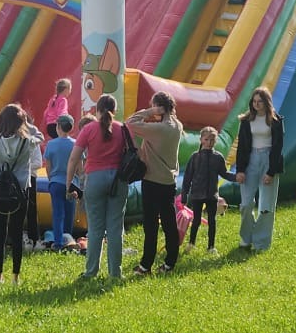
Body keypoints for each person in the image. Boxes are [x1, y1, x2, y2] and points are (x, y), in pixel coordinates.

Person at [66, 93, 130, 281]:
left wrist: (68, 183)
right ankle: (115, 273)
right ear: (115, 110)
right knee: (115, 228)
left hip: (95, 179)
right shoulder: (122, 129)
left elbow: (73, 158)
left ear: (96, 110)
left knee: (95, 228)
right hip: (118, 180)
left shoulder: (88, 130)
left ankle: (91, 271)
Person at [127, 90, 185, 276]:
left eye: (154, 105)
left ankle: (146, 265)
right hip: (169, 181)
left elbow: (130, 122)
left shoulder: (158, 129)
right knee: (168, 222)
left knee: (151, 225)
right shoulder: (177, 125)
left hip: (152, 180)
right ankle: (170, 262)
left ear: (159, 107)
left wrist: (148, 112)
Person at [0, 102, 43, 287]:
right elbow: (40, 136)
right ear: (22, 122)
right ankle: (15, 276)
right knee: (17, 231)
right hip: (20, 190)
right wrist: (27, 125)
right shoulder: (28, 142)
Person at [233, 86, 284, 253]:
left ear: (266, 102)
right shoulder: (246, 121)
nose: (256, 105)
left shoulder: (275, 121)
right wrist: (240, 170)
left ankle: (261, 242)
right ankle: (246, 237)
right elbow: (241, 147)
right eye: (254, 102)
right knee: (246, 203)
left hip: (269, 159)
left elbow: (278, 147)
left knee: (266, 205)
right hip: (251, 161)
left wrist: (271, 172)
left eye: (260, 102)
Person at [181, 126, 235, 252]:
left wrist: (237, 177)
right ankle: (191, 243)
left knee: (212, 221)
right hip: (197, 194)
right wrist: (184, 195)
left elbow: (224, 173)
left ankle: (211, 246)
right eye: (206, 139)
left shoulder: (218, 157)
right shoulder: (195, 157)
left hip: (211, 195)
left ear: (215, 141)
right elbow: (187, 178)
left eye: (212, 140)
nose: (209, 143)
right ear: (201, 140)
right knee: (196, 220)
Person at [43, 113, 78, 251]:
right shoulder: (75, 144)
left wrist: (51, 179)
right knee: (70, 212)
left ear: (58, 127)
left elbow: (48, 165)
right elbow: (79, 166)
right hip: (71, 183)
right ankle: (68, 239)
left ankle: (58, 243)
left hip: (56, 182)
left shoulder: (51, 144)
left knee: (58, 213)